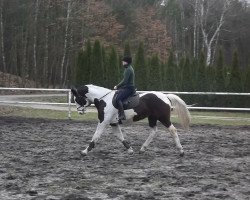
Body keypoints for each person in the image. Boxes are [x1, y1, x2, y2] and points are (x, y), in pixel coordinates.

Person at [114, 56, 135, 121]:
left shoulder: (128, 69)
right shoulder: (128, 68)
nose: (122, 62)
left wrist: (117, 86)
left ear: (126, 62)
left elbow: (125, 81)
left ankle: (122, 115)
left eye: (123, 61)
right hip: (127, 87)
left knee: (118, 99)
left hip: (129, 88)